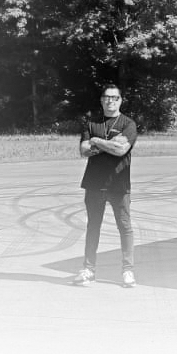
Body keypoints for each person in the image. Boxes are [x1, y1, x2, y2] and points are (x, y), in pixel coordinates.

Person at [69, 85, 140, 288]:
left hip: (119, 184)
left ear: (120, 100)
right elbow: (84, 150)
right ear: (101, 100)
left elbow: (121, 150)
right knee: (93, 226)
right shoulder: (92, 123)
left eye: (114, 97)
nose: (110, 101)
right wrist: (108, 143)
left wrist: (96, 141)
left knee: (124, 227)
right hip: (94, 184)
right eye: (107, 97)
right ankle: (88, 270)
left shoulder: (128, 124)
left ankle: (128, 271)